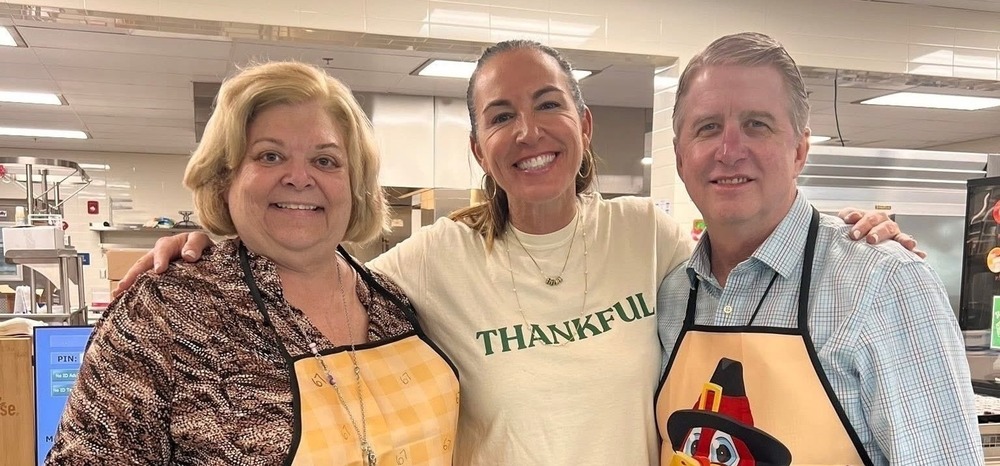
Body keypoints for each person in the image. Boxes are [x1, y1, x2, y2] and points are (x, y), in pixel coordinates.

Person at [114, 41, 911, 465]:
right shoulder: (430, 262)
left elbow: (744, 256)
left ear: (583, 125)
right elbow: (310, 268)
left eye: (547, 105)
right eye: (500, 116)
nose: (528, 131)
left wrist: (845, 236)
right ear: (479, 146)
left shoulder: (650, 234)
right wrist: (214, 246)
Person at [46, 61, 459, 465]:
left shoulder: (392, 300)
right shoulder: (166, 311)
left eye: (325, 160)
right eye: (270, 156)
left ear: (355, 186)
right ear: (225, 179)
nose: (300, 177)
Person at [655, 32, 982, 466]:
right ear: (680, 157)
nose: (729, 151)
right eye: (708, 127)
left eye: (757, 124)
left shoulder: (885, 285)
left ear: (800, 150)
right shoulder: (671, 296)